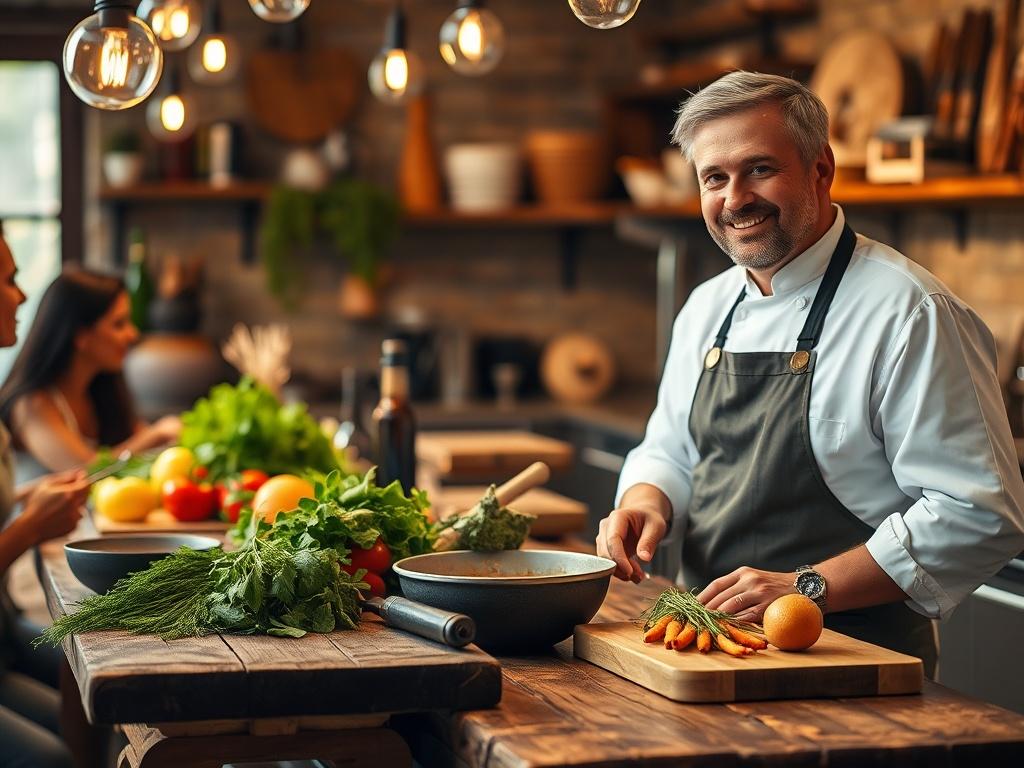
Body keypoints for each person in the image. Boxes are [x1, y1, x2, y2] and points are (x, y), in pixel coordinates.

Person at [596, 72, 1024, 677]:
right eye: (714, 178)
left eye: (759, 169)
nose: (735, 198)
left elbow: (979, 513)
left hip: (856, 666)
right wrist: (647, 501)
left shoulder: (909, 312)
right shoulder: (706, 307)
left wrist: (806, 588)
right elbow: (670, 448)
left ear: (821, 169)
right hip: (703, 655)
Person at [0, 231, 91, 767]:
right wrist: (30, 527)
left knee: (94, 689)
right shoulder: (32, 402)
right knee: (52, 756)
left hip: (4, 628)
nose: (22, 296)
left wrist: (30, 495)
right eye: (8, 280)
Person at [0, 268, 179, 483]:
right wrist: (157, 434)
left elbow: (138, 441)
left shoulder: (102, 389)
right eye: (119, 324)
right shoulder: (31, 405)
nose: (133, 335)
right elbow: (86, 473)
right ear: (80, 335)